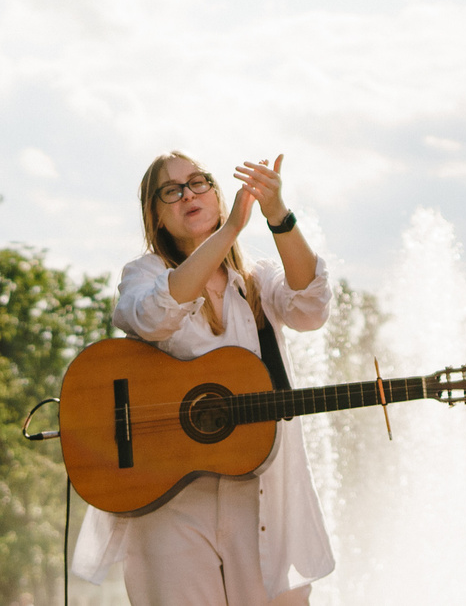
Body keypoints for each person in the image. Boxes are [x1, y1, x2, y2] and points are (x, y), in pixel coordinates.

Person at [68, 151, 334, 605]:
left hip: (261, 497)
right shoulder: (145, 275)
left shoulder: (257, 280)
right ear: (156, 214)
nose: (187, 194)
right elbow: (151, 318)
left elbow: (311, 309)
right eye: (170, 190)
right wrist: (229, 230)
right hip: (170, 497)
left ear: (215, 191)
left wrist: (278, 216)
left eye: (197, 182)